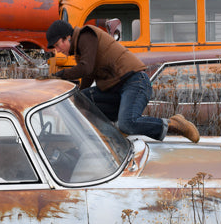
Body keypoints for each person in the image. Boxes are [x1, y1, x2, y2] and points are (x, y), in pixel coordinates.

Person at [46, 20, 200, 143]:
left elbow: (86, 68)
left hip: (134, 82)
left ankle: (174, 124)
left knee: (127, 123)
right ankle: (110, 139)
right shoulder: (80, 49)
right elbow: (88, 75)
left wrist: (60, 75)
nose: (58, 50)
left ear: (68, 37)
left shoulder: (87, 35)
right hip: (116, 88)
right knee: (81, 99)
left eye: (58, 44)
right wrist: (77, 96)